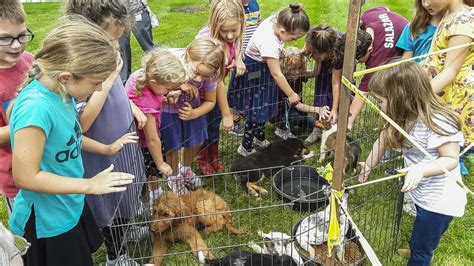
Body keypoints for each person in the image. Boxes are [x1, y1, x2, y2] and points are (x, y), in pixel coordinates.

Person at [8, 16, 137, 266]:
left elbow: (69, 138)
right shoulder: (36, 108)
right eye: (95, 83)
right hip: (47, 220)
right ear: (66, 76)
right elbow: (25, 177)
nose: (99, 90)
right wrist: (89, 185)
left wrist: (105, 148)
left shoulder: (61, 92)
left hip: (68, 202)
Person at [64, 0, 148, 264]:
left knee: (125, 194)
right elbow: (82, 122)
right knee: (110, 203)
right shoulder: (78, 62)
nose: (115, 47)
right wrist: (110, 77)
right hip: (100, 147)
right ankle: (117, 256)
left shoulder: (105, 51)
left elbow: (115, 89)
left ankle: (126, 230)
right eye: (110, 40)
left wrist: (130, 105)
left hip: (121, 137)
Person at [358, 61, 467, 265]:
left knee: (423, 247)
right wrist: (369, 165)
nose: (379, 106)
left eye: (381, 100)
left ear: (401, 98)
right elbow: (383, 139)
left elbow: (451, 159)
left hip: (440, 200)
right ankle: (420, 244)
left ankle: (419, 252)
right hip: (422, 191)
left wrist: (421, 170)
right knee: (424, 231)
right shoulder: (403, 116)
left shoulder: (436, 121)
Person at [228, 3, 309, 156]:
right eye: (294, 37)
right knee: (256, 110)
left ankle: (259, 138)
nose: (294, 40)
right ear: (283, 30)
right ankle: (245, 147)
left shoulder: (275, 20)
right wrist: (291, 94)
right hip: (255, 74)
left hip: (263, 72)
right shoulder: (270, 43)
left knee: (263, 107)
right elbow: (277, 73)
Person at [160, 38, 225, 195]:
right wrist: (179, 83)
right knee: (172, 146)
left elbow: (210, 101)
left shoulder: (211, 75)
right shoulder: (170, 60)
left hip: (192, 108)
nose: (198, 79)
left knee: (196, 141)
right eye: (196, 72)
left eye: (204, 76)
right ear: (187, 56)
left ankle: (185, 168)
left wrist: (194, 113)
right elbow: (152, 83)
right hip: (167, 110)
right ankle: (174, 177)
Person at [126, 49, 188, 200]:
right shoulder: (145, 99)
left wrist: (163, 97)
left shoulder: (142, 75)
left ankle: (151, 192)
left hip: (137, 135)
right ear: (154, 82)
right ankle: (152, 194)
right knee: (150, 168)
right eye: (167, 88)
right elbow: (152, 139)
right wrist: (160, 164)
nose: (168, 91)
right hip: (141, 141)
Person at [423, 0, 473, 175]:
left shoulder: (463, 22)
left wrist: (417, 97)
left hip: (453, 100)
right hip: (441, 95)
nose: (425, 3)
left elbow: (450, 71)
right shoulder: (449, 15)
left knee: (449, 154)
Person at [196, 0, 245, 175]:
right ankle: (202, 156)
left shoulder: (234, 35)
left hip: (218, 88)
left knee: (214, 123)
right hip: (203, 91)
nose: (231, 36)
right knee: (206, 124)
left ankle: (213, 154)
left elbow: (237, 44)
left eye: (234, 30)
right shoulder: (208, 41)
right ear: (215, 25)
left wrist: (238, 59)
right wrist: (227, 115)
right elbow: (216, 81)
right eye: (225, 31)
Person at [347, 6, 407, 130]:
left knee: (390, 84)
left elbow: (363, 92)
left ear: (370, 50)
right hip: (396, 29)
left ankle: (394, 121)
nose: (358, 64)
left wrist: (348, 122)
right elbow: (385, 8)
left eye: (359, 61)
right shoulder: (367, 16)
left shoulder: (378, 57)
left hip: (410, 48)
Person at [0, 0, 34, 217]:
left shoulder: (30, 61)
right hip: (15, 177)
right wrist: (32, 121)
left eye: (22, 35)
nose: (16, 45)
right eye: (5, 38)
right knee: (27, 236)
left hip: (47, 165)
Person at [228, 0, 261, 136]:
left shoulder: (254, 4)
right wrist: (238, 57)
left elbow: (258, 26)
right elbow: (233, 36)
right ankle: (234, 120)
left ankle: (246, 111)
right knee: (237, 87)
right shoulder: (232, 7)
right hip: (239, 55)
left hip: (252, 54)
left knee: (253, 81)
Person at [119, 0, 156, 82]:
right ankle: (124, 81)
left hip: (137, 11)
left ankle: (160, 73)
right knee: (122, 50)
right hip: (118, 14)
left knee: (149, 47)